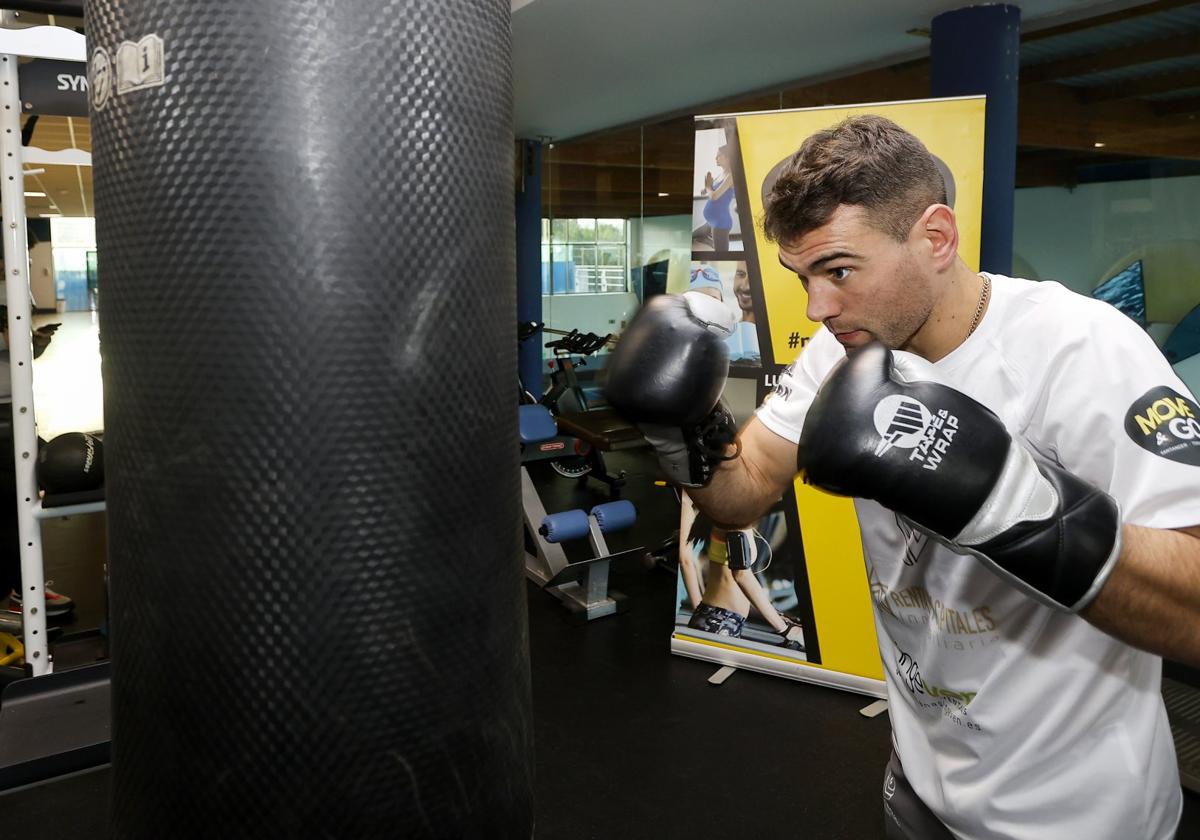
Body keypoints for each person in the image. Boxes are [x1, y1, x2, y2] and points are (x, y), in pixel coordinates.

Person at [605, 115, 1200, 839]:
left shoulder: (1080, 349)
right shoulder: (845, 350)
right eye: (802, 278)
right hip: (919, 784)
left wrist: (1014, 505)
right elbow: (742, 493)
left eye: (839, 271)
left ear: (936, 237)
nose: (818, 309)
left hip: (1078, 813)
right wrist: (683, 434)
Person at [0, 307, 72, 620]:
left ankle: (21, 587)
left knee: (20, 500)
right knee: (10, 503)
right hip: (4, 419)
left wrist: (34, 343)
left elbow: (17, 356)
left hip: (16, 411)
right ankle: (18, 590)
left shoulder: (13, 290)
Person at [692, 144, 737, 252]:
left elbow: (715, 196)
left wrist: (708, 187)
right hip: (710, 221)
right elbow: (711, 191)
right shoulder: (721, 174)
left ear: (728, 157)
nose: (715, 158)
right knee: (693, 236)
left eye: (719, 156)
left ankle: (716, 244)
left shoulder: (731, 176)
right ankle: (713, 243)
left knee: (721, 253)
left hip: (720, 223)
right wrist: (706, 188)